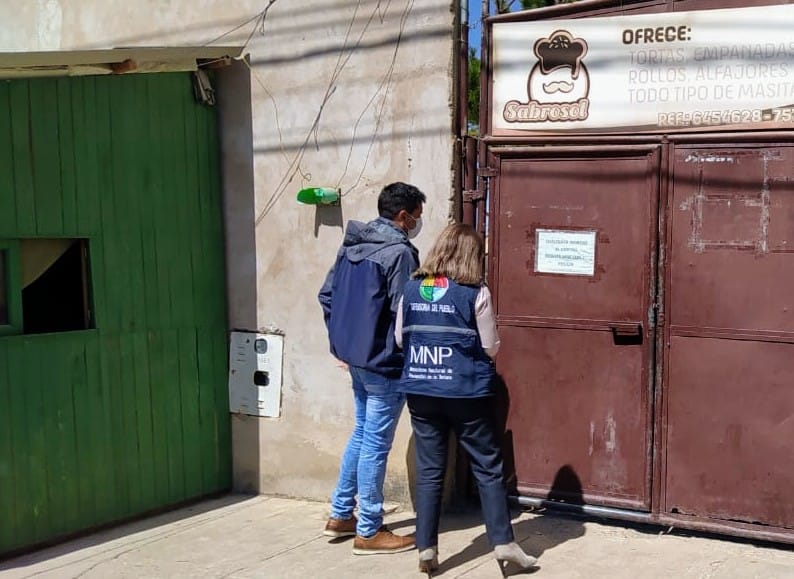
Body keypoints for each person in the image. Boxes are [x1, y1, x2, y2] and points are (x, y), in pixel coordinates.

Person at [394, 223, 538, 576]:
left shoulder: (411, 289)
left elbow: (401, 339)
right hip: (466, 391)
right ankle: (503, 543)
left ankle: (427, 548)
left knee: (430, 472)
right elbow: (490, 346)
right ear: (473, 257)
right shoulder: (476, 292)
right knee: (488, 468)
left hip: (421, 389)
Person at [318, 181, 426, 555]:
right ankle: (368, 529)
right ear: (403, 215)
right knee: (375, 444)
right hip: (385, 364)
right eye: (417, 216)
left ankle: (341, 513)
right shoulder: (399, 253)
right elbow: (404, 313)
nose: (417, 223)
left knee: (362, 434)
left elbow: (327, 295)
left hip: (358, 358)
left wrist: (344, 343)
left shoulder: (352, 246)